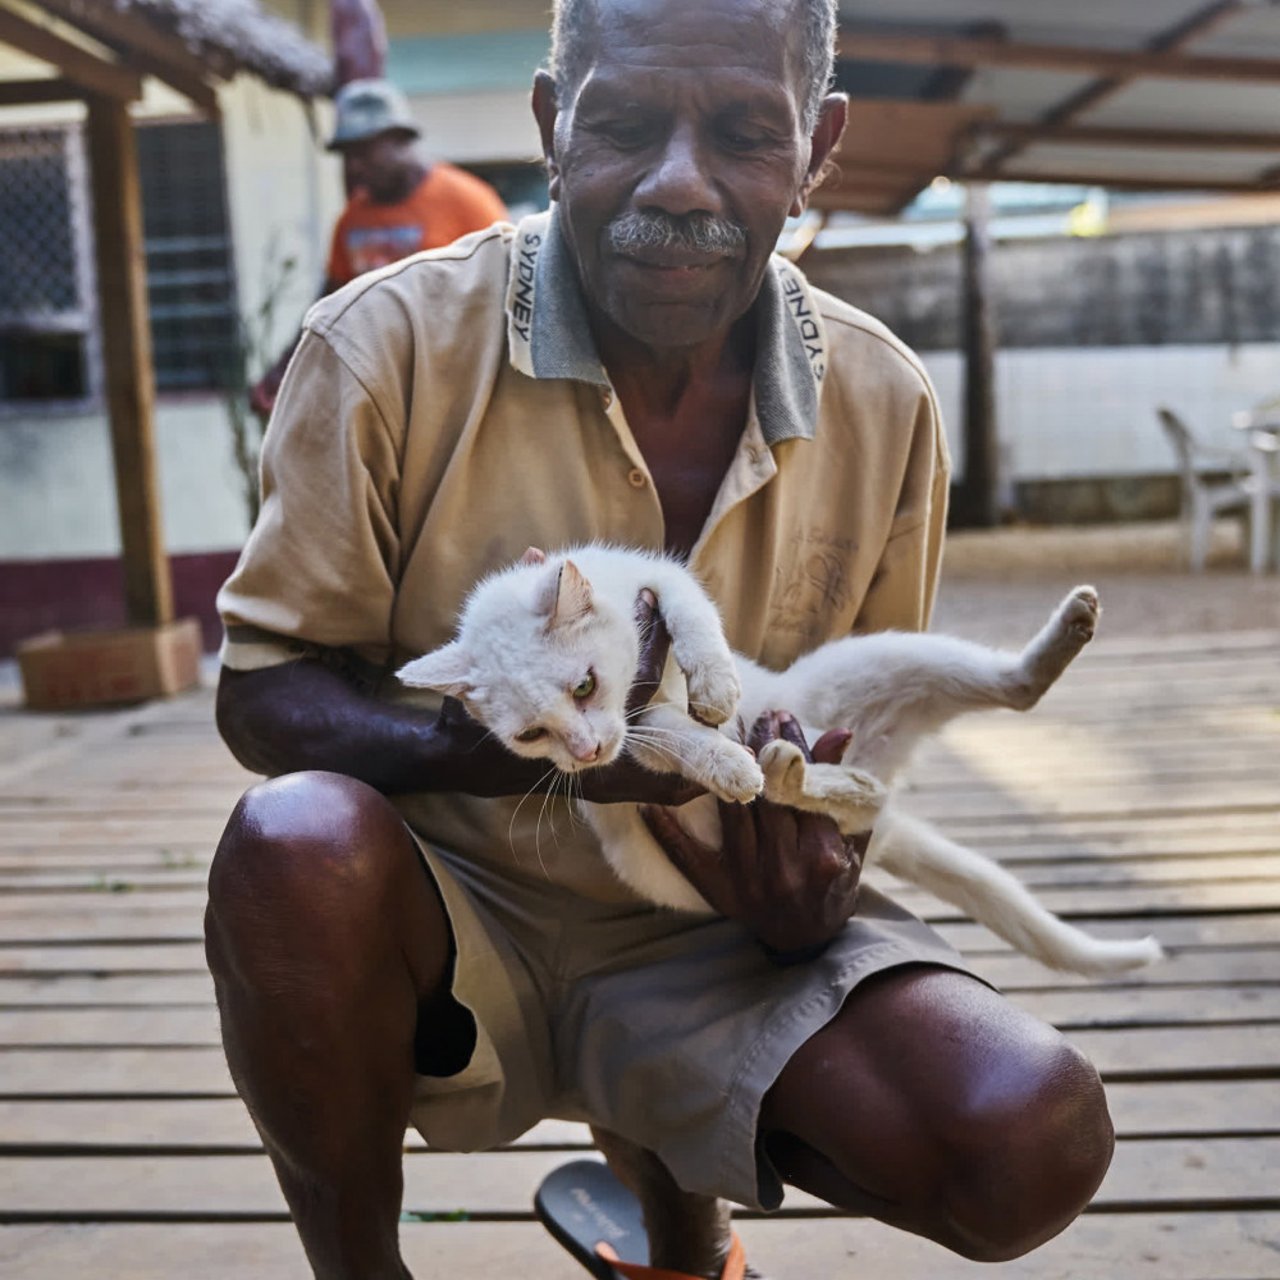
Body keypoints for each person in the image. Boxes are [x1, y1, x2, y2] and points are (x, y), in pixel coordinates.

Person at [206, 1, 1116, 1277]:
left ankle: (684, 1240)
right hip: (444, 912)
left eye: (745, 132)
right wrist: (547, 752)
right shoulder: (381, 347)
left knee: (1029, 1138)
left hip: (716, 924)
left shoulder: (881, 398)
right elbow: (262, 696)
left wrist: (809, 889)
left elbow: (847, 742)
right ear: (551, 129)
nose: (679, 181)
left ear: (817, 150)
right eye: (624, 124)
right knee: (291, 844)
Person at [249, 78, 509, 417]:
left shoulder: (470, 203)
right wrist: (283, 370)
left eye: (364, 152)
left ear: (400, 139)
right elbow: (330, 308)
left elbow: (510, 297)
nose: (355, 166)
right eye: (347, 156)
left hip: (459, 391)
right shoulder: (352, 221)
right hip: (385, 394)